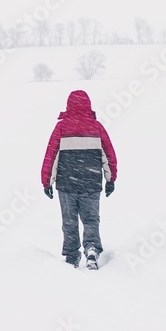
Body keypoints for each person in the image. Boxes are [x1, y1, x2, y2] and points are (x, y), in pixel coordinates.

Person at [40, 90, 118, 269]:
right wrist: (110, 178)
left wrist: (47, 182)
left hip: (67, 184)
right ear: (88, 105)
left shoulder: (61, 128)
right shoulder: (96, 127)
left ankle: (72, 256)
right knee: (91, 219)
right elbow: (109, 155)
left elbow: (51, 156)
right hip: (91, 182)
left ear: (69, 105)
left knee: (69, 221)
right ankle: (91, 248)